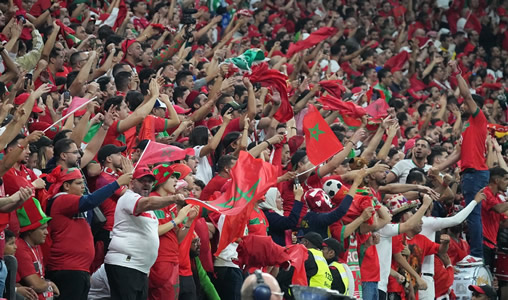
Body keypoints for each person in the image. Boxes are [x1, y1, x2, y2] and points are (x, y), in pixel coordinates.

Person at [45, 164, 132, 300]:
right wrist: (117, 183)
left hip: (79, 270)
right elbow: (91, 201)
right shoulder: (61, 199)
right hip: (67, 269)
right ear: (66, 186)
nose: (83, 187)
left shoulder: (73, 204)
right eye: (78, 183)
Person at [104, 166, 190, 300]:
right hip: (125, 264)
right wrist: (174, 201)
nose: (147, 184)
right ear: (131, 183)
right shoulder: (129, 197)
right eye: (142, 181)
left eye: (150, 181)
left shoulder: (151, 209)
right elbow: (148, 202)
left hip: (141, 267)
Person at [15, 198, 59, 300]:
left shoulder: (37, 245)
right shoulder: (20, 248)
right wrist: (49, 284)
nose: (46, 233)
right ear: (30, 231)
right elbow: (36, 285)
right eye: (42, 229)